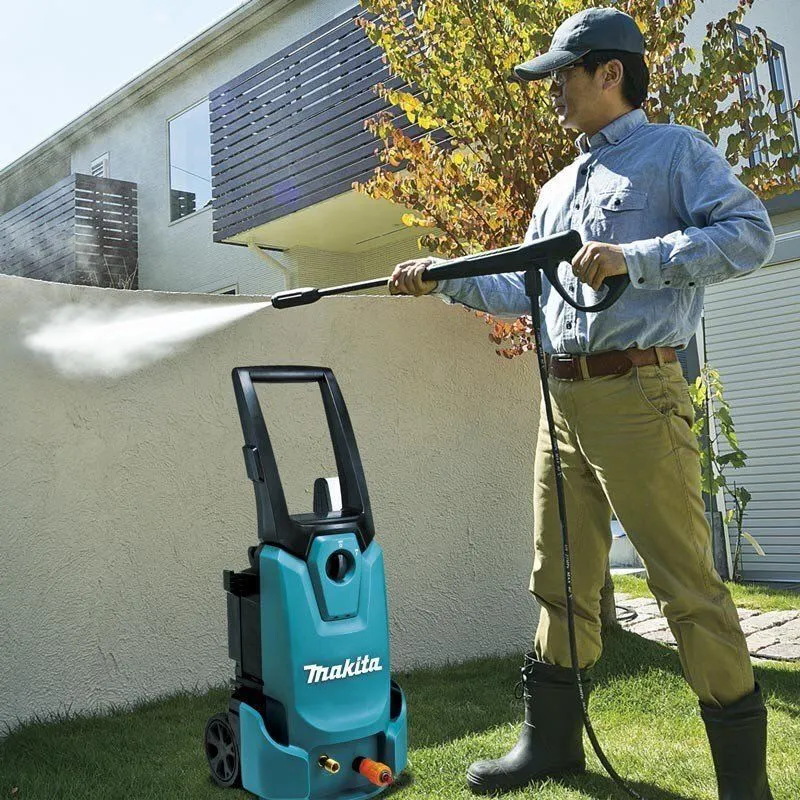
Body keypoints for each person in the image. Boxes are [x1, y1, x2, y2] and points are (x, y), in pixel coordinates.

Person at [390, 8, 776, 800]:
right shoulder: (557, 188)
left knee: (685, 588)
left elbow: (750, 235)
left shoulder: (677, 153)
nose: (554, 90)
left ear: (610, 73)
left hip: (640, 394)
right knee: (559, 578)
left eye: (562, 75)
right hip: (560, 398)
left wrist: (635, 257)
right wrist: (444, 277)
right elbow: (525, 291)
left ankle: (745, 785)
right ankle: (552, 745)